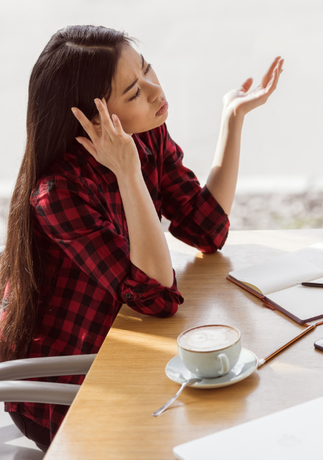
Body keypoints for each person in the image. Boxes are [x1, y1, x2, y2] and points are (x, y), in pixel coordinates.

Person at [0, 25, 282, 451]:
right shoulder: (58, 193)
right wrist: (128, 173)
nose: (154, 91)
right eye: (133, 93)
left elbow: (207, 228)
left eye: (148, 69)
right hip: (68, 389)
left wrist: (232, 118)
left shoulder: (145, 133)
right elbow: (157, 296)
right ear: (94, 120)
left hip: (121, 350)